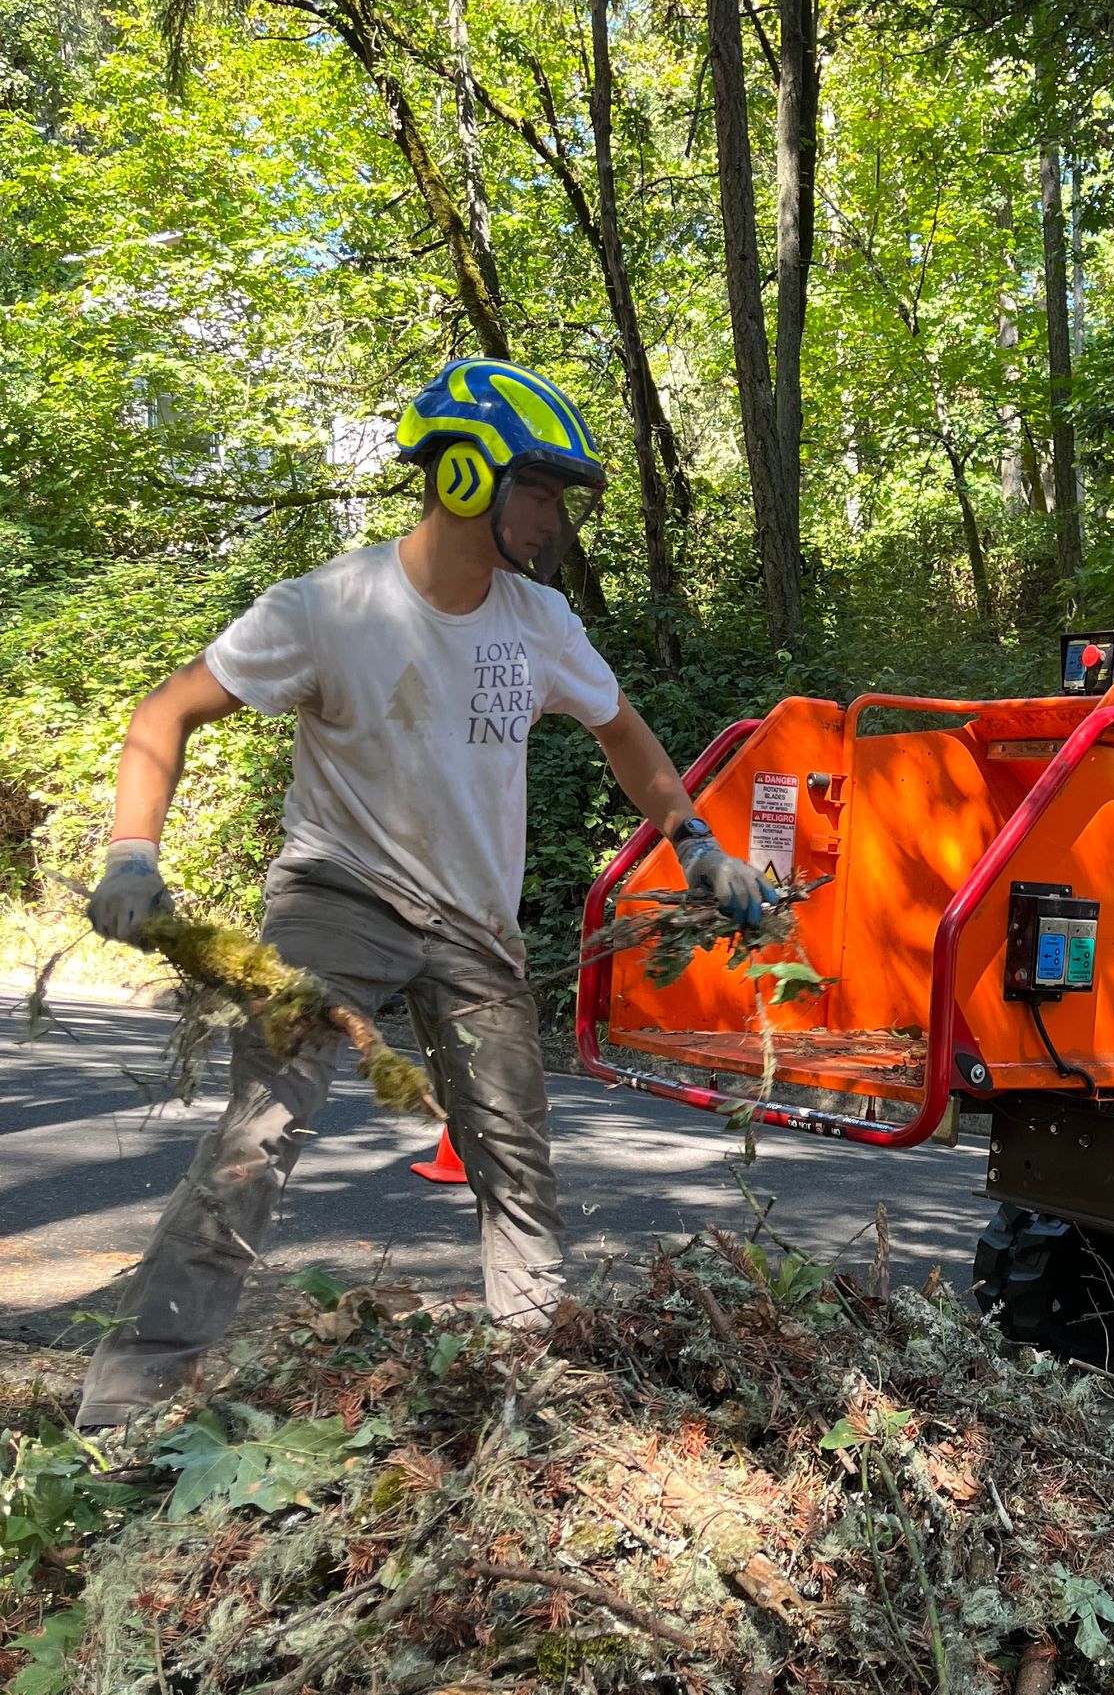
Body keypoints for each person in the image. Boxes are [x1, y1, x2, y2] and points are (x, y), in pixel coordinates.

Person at [77, 357, 773, 1430]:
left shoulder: (542, 624)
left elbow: (627, 738)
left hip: (473, 925)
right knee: (255, 1142)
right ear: (464, 476)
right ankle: (123, 1412)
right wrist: (132, 852)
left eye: (556, 500)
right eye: (537, 491)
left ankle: (531, 1398)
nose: (550, 520)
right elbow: (166, 711)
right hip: (336, 895)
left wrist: (695, 840)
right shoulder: (328, 607)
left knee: (516, 1164)